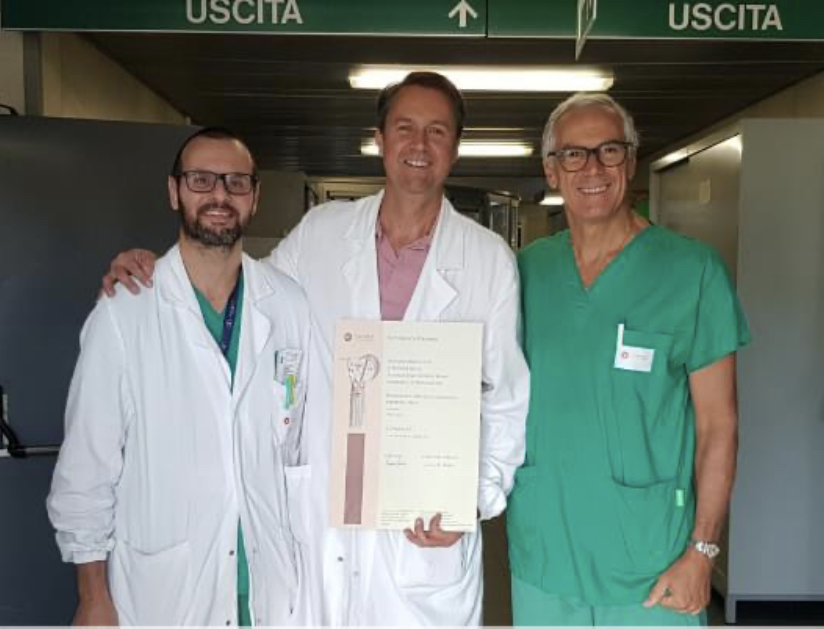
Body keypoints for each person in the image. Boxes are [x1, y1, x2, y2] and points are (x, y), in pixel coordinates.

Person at [100, 72, 529, 625]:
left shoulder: (488, 260)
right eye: (405, 128)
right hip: (326, 517)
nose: (419, 145)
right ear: (380, 139)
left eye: (437, 131)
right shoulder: (323, 232)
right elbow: (244, 295)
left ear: (456, 147)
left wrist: (475, 497)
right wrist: (161, 271)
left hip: (424, 529)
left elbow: (506, 397)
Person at [48, 128, 311, 626]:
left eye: (236, 182)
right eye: (201, 180)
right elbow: (86, 468)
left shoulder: (288, 305)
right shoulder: (125, 313)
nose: (219, 195)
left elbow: (297, 445)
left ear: (255, 197)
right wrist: (93, 597)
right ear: (174, 191)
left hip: (268, 585)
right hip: (166, 592)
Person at [507, 93, 749, 626]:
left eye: (609, 150)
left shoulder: (692, 272)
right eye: (573, 154)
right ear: (551, 170)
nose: (592, 168)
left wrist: (703, 550)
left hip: (655, 565)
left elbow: (719, 425)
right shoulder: (523, 273)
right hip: (545, 552)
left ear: (631, 161)